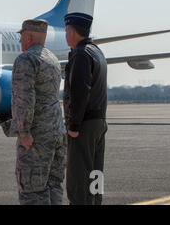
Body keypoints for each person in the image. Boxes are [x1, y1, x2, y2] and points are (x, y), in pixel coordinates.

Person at [1, 19, 67, 205]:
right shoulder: (52, 59)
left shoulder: (26, 60)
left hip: (37, 136)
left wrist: (23, 132)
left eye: (22, 37)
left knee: (32, 190)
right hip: (56, 132)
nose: (20, 41)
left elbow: (24, 99)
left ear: (28, 36)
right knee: (53, 185)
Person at [63, 12, 108, 205]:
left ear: (72, 31)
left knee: (78, 178)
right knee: (96, 175)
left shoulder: (81, 54)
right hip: (99, 122)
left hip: (84, 126)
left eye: (66, 30)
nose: (65, 35)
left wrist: (73, 125)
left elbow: (81, 92)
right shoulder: (97, 51)